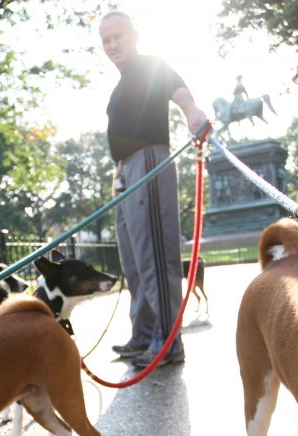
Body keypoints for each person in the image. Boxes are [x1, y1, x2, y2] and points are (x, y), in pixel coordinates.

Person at [99, 11, 206, 368]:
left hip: (148, 161)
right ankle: (144, 333)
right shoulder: (123, 82)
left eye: (118, 36)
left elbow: (176, 86)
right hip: (126, 170)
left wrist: (191, 112)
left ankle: (168, 339)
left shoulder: (148, 66)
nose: (113, 45)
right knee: (133, 258)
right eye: (106, 40)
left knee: (155, 255)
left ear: (135, 35)